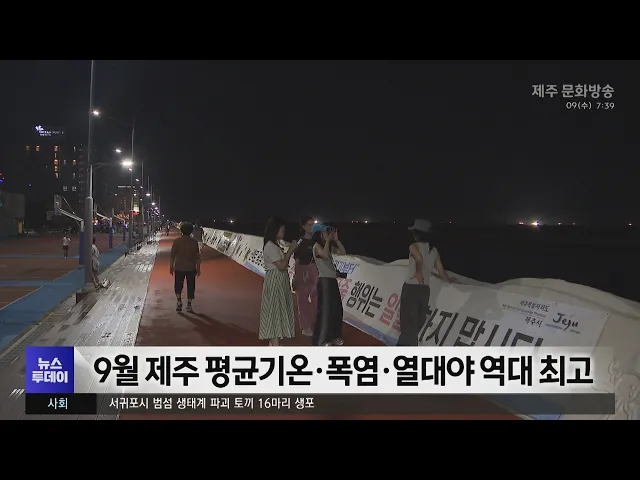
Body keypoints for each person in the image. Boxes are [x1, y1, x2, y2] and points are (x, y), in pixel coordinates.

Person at [397, 219, 454, 346]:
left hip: (411, 289)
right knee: (418, 323)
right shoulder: (434, 250)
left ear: (418, 233)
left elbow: (419, 258)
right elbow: (441, 272)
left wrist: (418, 272)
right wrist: (451, 282)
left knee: (407, 324)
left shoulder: (413, 246)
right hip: (424, 291)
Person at [259, 216, 298, 346]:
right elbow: (281, 265)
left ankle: (274, 342)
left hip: (279, 280)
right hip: (275, 280)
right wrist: (291, 250)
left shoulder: (275, 245)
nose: (283, 232)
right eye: (282, 230)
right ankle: (274, 344)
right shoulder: (270, 246)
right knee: (274, 312)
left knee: (277, 311)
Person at [311, 224, 347, 346]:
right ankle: (321, 340)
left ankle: (334, 336)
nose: (327, 235)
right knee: (325, 311)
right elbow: (325, 255)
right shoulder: (316, 246)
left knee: (336, 309)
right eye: (325, 232)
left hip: (332, 281)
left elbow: (343, 252)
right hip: (324, 281)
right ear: (319, 234)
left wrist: (336, 240)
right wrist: (327, 241)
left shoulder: (327, 246)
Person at [292, 216, 318, 337]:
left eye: (313, 224)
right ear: (303, 226)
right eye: (309, 225)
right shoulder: (300, 242)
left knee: (317, 299)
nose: (312, 227)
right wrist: (296, 276)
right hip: (303, 270)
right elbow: (297, 260)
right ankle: (305, 326)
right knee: (302, 300)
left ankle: (318, 323)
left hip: (315, 270)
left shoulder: (316, 241)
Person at [170, 222, 201, 313]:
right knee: (191, 285)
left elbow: (172, 255)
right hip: (191, 267)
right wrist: (198, 268)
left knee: (178, 285)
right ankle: (189, 304)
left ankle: (179, 301)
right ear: (191, 231)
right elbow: (197, 257)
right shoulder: (194, 242)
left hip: (179, 267)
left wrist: (171, 266)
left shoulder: (177, 241)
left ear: (181, 230)